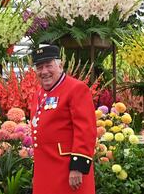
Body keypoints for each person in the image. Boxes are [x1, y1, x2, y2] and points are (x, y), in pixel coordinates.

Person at [30, 45, 97, 194]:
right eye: (39, 67)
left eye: (49, 65)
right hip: (45, 169)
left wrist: (78, 167)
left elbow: (86, 130)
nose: (44, 71)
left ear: (60, 65)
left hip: (67, 170)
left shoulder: (76, 88)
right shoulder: (38, 94)